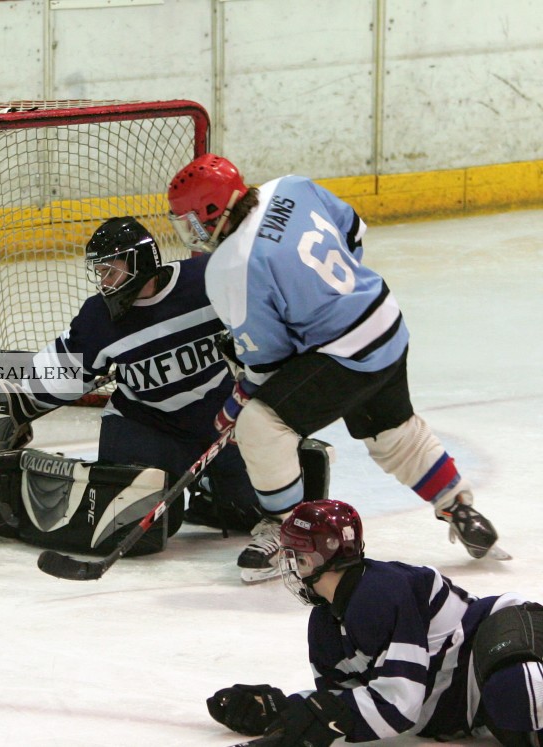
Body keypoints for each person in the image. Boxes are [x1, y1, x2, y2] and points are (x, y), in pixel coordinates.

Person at [165, 153, 503, 577]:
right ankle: (460, 508)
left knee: (260, 426)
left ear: (213, 211)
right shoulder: (290, 185)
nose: (193, 234)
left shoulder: (231, 265)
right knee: (392, 431)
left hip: (345, 352)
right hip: (384, 318)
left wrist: (237, 401)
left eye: (192, 222)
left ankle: (288, 533)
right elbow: (354, 231)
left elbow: (268, 359)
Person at [0, 216, 284, 579]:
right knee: (145, 530)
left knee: (248, 510)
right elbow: (59, 371)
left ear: (140, 263)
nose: (104, 282)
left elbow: (267, 322)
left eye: (111, 271)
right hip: (142, 427)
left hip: (219, 421)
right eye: (100, 272)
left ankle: (215, 494)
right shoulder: (100, 317)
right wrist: (13, 406)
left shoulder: (205, 280)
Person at [207, 499, 542, 746]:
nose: (291, 567)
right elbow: (347, 704)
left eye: (294, 556)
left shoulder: (381, 592)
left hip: (505, 637)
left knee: (516, 688)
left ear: (311, 559)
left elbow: (399, 704)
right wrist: (283, 709)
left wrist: (319, 713)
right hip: (468, 701)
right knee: (512, 717)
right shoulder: (325, 625)